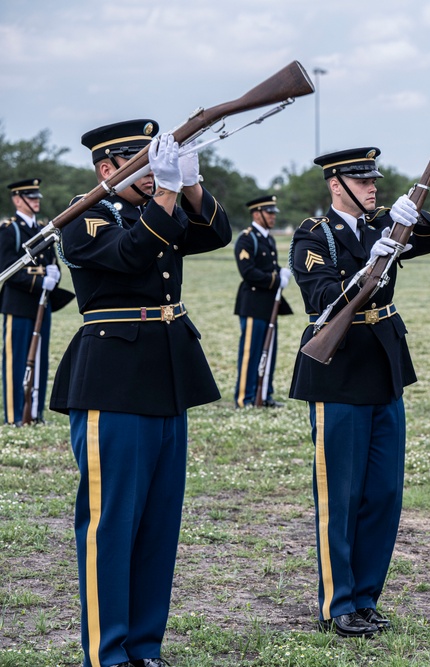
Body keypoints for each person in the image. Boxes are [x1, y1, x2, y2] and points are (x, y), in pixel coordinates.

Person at [49, 119, 231, 667]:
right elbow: (131, 255)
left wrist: (192, 186)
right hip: (114, 378)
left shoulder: (155, 209)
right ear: (109, 170)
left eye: (156, 162)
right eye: (143, 164)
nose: (154, 173)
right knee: (112, 525)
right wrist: (170, 193)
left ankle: (144, 648)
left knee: (158, 524)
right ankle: (108, 653)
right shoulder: (84, 218)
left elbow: (214, 234)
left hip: (167, 373)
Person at [289, 147, 430, 638]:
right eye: (361, 181)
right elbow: (320, 299)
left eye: (374, 180)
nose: (372, 187)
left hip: (383, 366)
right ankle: (337, 603)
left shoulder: (385, 224)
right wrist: (370, 264)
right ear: (336, 185)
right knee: (342, 495)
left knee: (383, 493)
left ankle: (366, 598)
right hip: (338, 370)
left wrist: (414, 214)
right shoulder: (315, 236)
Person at [0, 179, 72, 424]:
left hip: (42, 304)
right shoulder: (10, 230)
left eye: (37, 197)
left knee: (39, 360)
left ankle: (34, 413)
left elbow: (53, 263)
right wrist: (40, 279)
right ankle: (14, 415)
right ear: (17, 200)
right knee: (17, 360)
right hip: (18, 304)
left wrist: (53, 276)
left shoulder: (43, 229)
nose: (36, 201)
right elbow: (6, 269)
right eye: (30, 197)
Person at [233, 194, 293, 408]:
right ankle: (244, 398)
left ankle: (264, 395)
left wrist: (280, 272)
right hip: (253, 303)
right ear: (256, 214)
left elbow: (269, 267)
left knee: (268, 352)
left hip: (269, 304)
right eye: (269, 213)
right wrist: (277, 279)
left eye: (274, 213)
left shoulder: (267, 238)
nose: (273, 217)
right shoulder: (247, 238)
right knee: (251, 353)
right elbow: (248, 272)